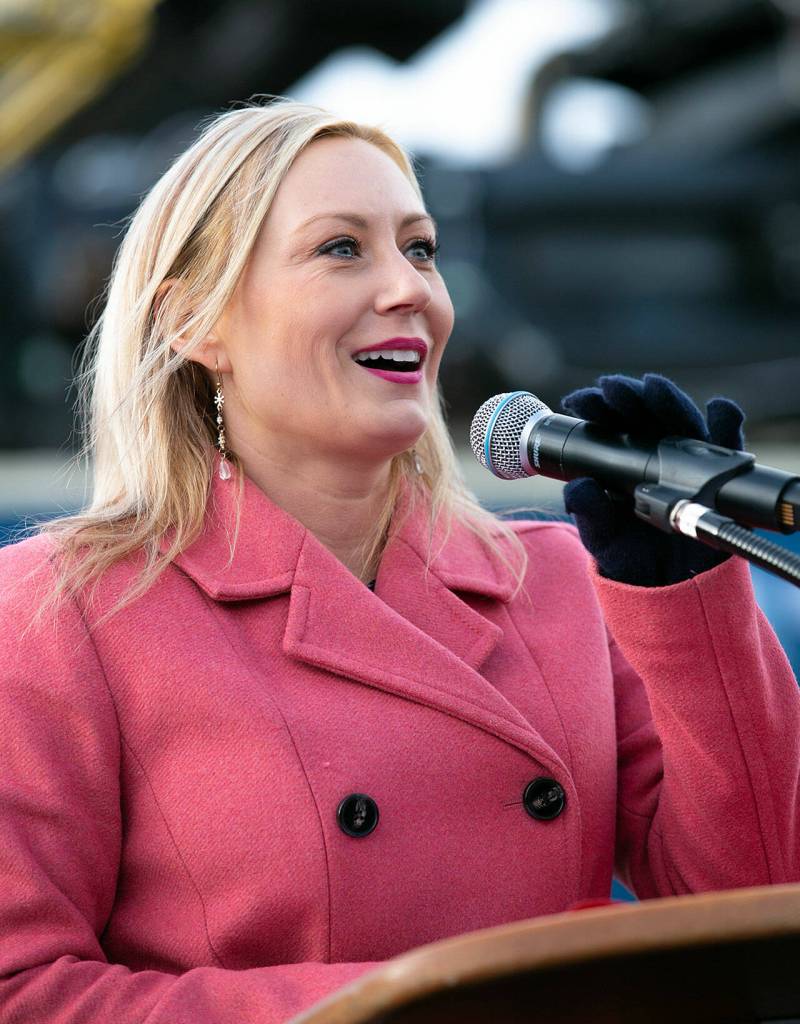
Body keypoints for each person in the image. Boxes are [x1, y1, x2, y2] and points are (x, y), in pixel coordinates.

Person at [0, 97, 797, 1024]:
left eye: (420, 249)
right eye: (342, 248)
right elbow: (24, 993)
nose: (409, 289)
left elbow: (755, 922)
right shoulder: (61, 615)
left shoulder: (560, 581)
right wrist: (411, 1010)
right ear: (194, 321)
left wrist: (683, 598)